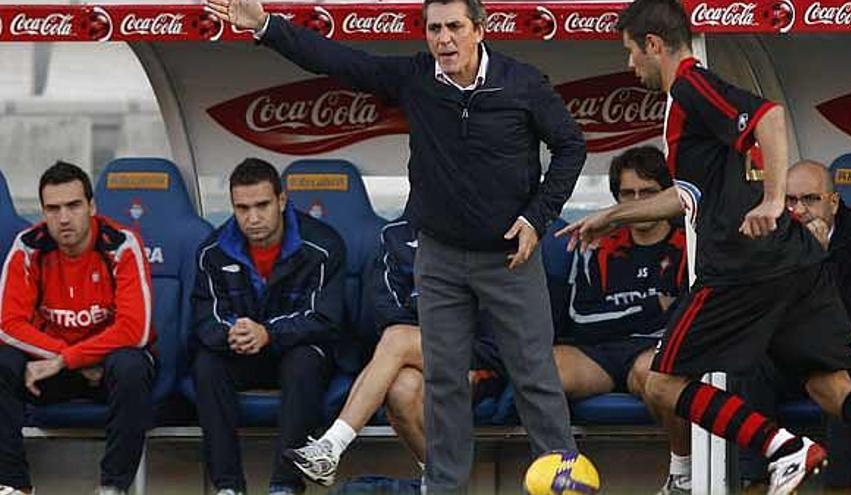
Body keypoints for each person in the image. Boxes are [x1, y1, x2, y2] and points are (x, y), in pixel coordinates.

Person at [204, 0, 585, 491]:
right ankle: (445, 487)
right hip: (440, 255)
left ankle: (563, 480)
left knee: (535, 375)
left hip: (510, 255)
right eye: (434, 29)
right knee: (444, 380)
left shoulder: (522, 82)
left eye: (453, 28)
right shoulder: (417, 77)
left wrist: (537, 217)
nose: (443, 40)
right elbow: (340, 61)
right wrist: (266, 26)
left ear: (479, 29)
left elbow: (571, 145)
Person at [558, 1, 851, 494]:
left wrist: (773, 199)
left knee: (662, 384)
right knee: (830, 388)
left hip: (741, 267)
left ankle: (785, 448)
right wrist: (611, 216)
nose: (629, 66)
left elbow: (769, 118)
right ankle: (787, 448)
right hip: (792, 262)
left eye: (630, 53)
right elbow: (686, 195)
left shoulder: (690, 82)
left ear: (653, 45)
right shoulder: (683, 106)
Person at [285, 218, 504, 486]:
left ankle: (333, 445)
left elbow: (492, 316)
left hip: (478, 355)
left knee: (398, 338)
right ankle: (439, 480)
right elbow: (385, 311)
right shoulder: (396, 235)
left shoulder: (485, 230)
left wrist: (422, 334)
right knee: (400, 389)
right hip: (419, 354)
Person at [190, 159, 345, 495]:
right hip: (243, 353)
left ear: (282, 201)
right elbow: (205, 318)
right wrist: (231, 333)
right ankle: (228, 487)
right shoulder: (213, 251)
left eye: (262, 205)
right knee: (206, 364)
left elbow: (325, 319)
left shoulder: (321, 246)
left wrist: (268, 333)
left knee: (305, 360)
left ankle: (284, 486)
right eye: (242, 208)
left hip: (297, 354)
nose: (253, 218)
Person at [0, 161, 155, 495]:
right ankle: (13, 485)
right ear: (43, 212)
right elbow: (8, 324)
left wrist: (71, 358)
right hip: (51, 370)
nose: (64, 218)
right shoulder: (28, 246)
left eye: (73, 206)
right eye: (53, 209)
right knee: (2, 362)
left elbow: (134, 329)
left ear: (92, 206)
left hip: (109, 369)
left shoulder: (122, 244)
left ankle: (112, 487)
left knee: (131, 365)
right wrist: (68, 359)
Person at [553, 146, 691, 495]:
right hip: (600, 354)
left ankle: (683, 474)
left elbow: (685, 315)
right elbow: (580, 318)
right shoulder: (596, 242)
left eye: (648, 193)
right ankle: (561, 472)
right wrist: (652, 307)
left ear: (667, 196)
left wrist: (639, 318)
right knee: (543, 370)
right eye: (627, 194)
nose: (636, 201)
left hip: (654, 350)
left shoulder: (688, 243)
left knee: (656, 372)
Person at [736, 160, 851, 493]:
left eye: (810, 199)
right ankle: (755, 480)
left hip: (841, 354)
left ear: (833, 201)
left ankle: (838, 486)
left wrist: (820, 258)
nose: (798, 209)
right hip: (789, 349)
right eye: (789, 200)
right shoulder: (768, 236)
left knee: (838, 372)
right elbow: (757, 310)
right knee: (749, 364)